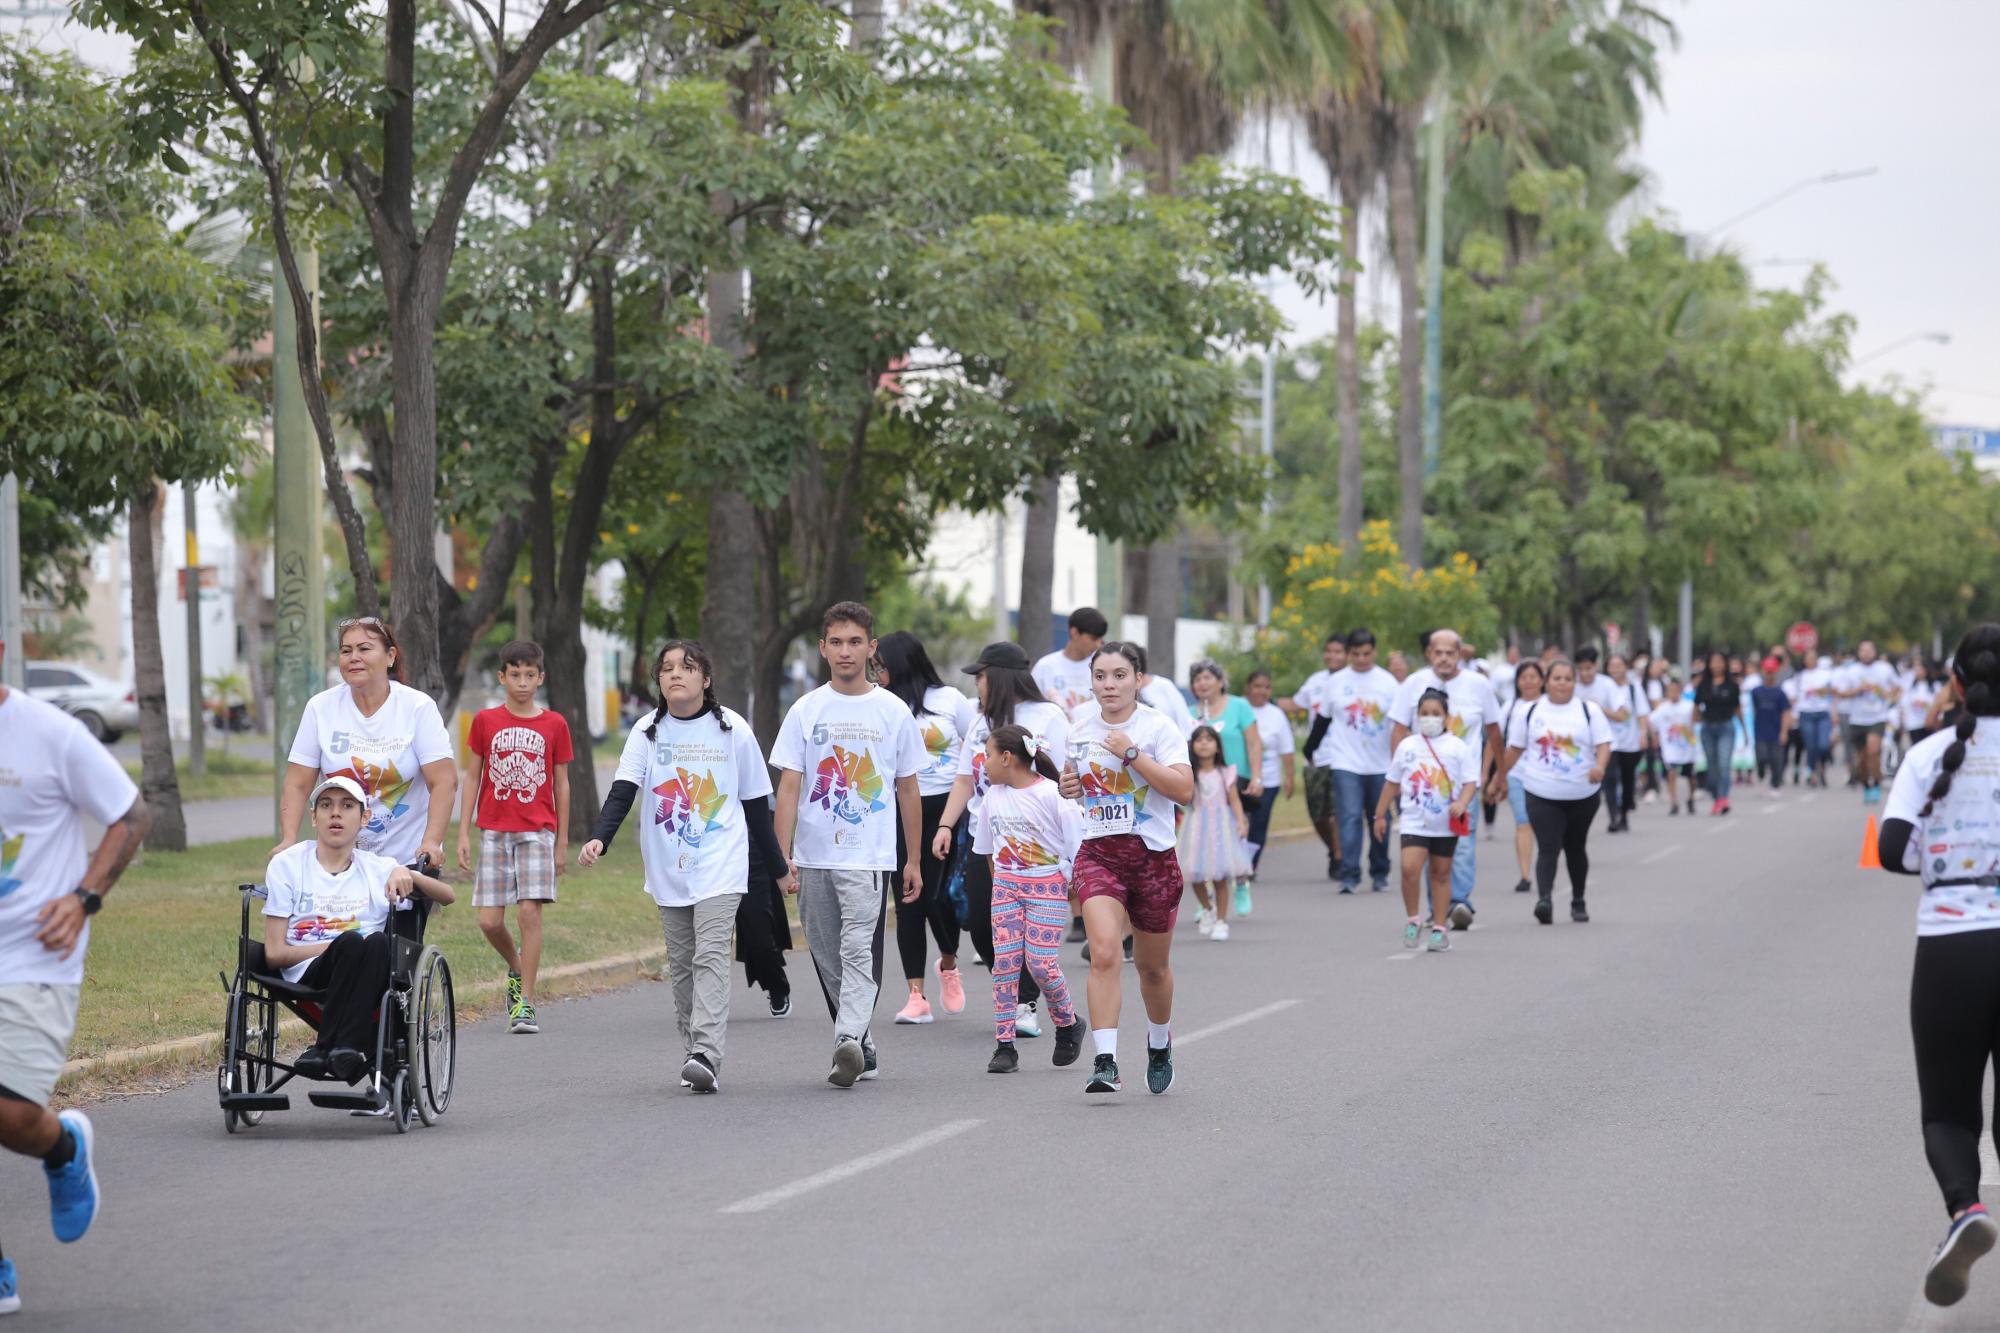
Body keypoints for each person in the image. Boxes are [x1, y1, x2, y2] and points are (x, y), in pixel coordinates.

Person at [0, 640, 149, 1314]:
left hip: (33, 956)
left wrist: (84, 896)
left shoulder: (50, 735)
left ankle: (62, 1145)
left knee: (7, 1112)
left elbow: (130, 814)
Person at [579, 641, 779, 1092]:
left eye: (687, 668)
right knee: (683, 963)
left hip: (721, 863)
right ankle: (694, 1049)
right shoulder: (647, 731)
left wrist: (779, 866)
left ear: (705, 679)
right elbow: (623, 791)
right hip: (669, 867)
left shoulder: (732, 730)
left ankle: (706, 1052)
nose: (676, 675)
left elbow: (754, 807)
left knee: (710, 954)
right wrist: (599, 838)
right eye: (667, 668)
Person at [1875, 624, 2000, 1308]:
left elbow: (1893, 847)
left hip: (1952, 943)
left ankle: (1965, 1211)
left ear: (1955, 683)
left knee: (1950, 1111)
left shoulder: (1930, 754)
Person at [772, 602, 927, 1088]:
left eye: (855, 642)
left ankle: (846, 1037)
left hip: (868, 854)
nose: (845, 651)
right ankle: (861, 1041)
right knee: (824, 951)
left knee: (859, 948)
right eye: (836, 642)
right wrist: (782, 857)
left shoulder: (892, 710)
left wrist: (914, 859)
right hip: (815, 854)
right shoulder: (806, 709)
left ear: (871, 647)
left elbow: (907, 787)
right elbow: (791, 787)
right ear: (822, 649)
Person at [1058, 641, 1195, 1095]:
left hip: (1153, 859)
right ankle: (1106, 1061)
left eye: (1119, 675)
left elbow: (1183, 790)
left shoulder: (1159, 726)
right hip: (1099, 855)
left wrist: (1133, 754)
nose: (1109, 684)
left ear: (1138, 679)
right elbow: (1076, 784)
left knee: (1153, 969)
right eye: (1101, 676)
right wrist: (1069, 785)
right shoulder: (1079, 727)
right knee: (1103, 954)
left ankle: (1159, 1041)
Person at [266, 777, 457, 1084]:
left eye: (347, 806)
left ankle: (335, 1048)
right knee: (353, 942)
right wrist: (337, 947)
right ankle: (340, 1048)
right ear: (313, 817)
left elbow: (447, 896)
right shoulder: (288, 865)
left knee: (380, 942)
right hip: (309, 970)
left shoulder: (378, 867)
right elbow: (274, 954)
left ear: (365, 817)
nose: (336, 814)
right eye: (326, 805)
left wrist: (406, 872)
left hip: (368, 970)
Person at [933, 641, 1069, 1036]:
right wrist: (945, 826)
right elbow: (963, 779)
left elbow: (1060, 778)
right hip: (987, 837)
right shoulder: (980, 722)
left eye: (980, 676)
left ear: (1000, 677)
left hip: (1037, 846)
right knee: (980, 926)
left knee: (1028, 932)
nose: (977, 684)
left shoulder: (1049, 717)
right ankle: (1015, 994)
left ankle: (1025, 1003)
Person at [456, 639, 572, 1036]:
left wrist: (561, 841)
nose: (522, 682)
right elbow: (473, 776)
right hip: (493, 831)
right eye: (514, 674)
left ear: (541, 677)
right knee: (489, 921)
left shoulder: (554, 723)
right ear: (502, 676)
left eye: (529, 675)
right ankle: (518, 967)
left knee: (528, 912)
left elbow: (562, 783)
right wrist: (464, 832)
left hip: (537, 831)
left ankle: (527, 1003)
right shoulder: (486, 721)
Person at [277, 616, 457, 870]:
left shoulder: (417, 706)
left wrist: (431, 843)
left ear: (390, 656)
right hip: (340, 860)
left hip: (406, 860)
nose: (354, 657)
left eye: (364, 649)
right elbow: (297, 783)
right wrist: (288, 841)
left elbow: (444, 782)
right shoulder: (320, 707)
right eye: (346, 651)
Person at [874, 631, 978, 1026]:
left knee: (942, 899)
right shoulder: (880, 705)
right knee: (908, 903)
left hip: (948, 810)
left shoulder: (949, 701)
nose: (877, 673)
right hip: (900, 811)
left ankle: (948, 964)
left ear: (902, 662)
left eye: (881, 665)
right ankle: (915, 995)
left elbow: (974, 752)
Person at [1388, 628, 1503, 930]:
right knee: (1427, 847)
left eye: (1450, 653)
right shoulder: (1413, 684)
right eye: (1437, 653)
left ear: (1460, 654)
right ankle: (1436, 908)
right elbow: (1398, 730)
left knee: (1461, 843)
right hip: (1423, 785)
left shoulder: (1478, 685)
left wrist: (1499, 773)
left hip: (1462, 784)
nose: (1444, 658)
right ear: (1429, 654)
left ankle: (1459, 902)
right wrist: (1399, 777)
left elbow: (1493, 732)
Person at [1501, 659, 1612, 925]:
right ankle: (1545, 900)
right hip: (1541, 790)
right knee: (1548, 846)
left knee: (1575, 847)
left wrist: (1599, 766)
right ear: (1546, 682)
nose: (1562, 683)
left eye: (1567, 679)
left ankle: (1578, 900)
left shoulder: (1589, 711)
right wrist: (1498, 779)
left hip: (1582, 793)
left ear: (1574, 683)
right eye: (1557, 678)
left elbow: (1604, 743)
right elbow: (1515, 749)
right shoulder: (1530, 711)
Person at [1376, 688, 1477, 953]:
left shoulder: (1457, 747)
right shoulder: (1407, 746)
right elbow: (1391, 782)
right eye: (1424, 714)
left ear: (1446, 717)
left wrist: (1462, 803)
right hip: (1414, 820)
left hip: (1445, 822)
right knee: (1410, 869)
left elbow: (1469, 782)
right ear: (1417, 716)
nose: (1429, 718)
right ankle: (1413, 919)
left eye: (1435, 714)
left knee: (1440, 874)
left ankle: (1440, 928)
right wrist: (1380, 814)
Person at [1317, 629, 1399, 895]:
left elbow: (1400, 724)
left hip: (1381, 763)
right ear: (1349, 653)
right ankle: (1349, 874)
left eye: (1367, 654)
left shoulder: (1388, 683)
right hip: (1345, 761)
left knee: (1379, 817)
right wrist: (1310, 750)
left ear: (1374, 652)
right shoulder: (1336, 682)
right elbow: (1323, 719)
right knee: (1349, 817)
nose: (1362, 659)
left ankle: (1379, 872)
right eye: (1356, 654)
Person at [1187, 660, 1263, 918]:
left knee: (1234, 839)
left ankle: (1241, 884)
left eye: (1208, 677)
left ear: (1220, 681)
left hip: (1234, 780)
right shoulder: (1188, 713)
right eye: (1198, 679)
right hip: (1201, 784)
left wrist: (1256, 777)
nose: (1203, 683)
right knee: (1203, 844)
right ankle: (1206, 900)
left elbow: (1253, 743)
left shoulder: (1239, 706)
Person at [1285, 634, 1350, 881]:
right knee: (1317, 814)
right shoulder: (1315, 681)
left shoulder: (1350, 681)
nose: (1333, 656)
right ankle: (1334, 851)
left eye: (1338, 652)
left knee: (1336, 812)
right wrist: (1260, 702)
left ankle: (1341, 858)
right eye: (1329, 651)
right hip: (1315, 758)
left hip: (1341, 757)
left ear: (1346, 655)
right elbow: (1295, 703)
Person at [1181, 725, 1251, 940]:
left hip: (1220, 827)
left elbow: (1234, 799)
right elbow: (1183, 798)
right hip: (1196, 827)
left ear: (1218, 747)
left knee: (1220, 876)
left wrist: (1240, 820)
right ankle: (1207, 908)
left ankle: (1221, 921)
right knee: (1195, 873)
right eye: (1199, 739)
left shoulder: (1225, 773)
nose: (1204, 743)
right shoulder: (1189, 773)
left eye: (1209, 739)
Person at [1243, 670, 1296, 882]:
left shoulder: (1276, 714)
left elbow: (1287, 749)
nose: (1261, 691)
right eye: (1257, 686)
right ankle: (1234, 862)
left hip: (1269, 780)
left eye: (1266, 687)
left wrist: (1289, 777)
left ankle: (1250, 865)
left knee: (1259, 823)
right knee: (1239, 822)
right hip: (1240, 778)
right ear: (1248, 688)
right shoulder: (1240, 708)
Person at [1499, 661, 1546, 893]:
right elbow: (1497, 742)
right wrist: (1497, 776)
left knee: (1545, 827)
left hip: (1546, 775)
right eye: (1524, 677)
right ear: (1517, 682)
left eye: (1533, 676)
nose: (1528, 681)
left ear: (1542, 681)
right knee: (1523, 822)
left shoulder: (1549, 707)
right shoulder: (1509, 707)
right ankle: (1526, 875)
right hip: (1517, 774)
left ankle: (1547, 868)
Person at [1838, 643, 1901, 801]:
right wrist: (1858, 690)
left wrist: (1886, 695)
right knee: (1863, 758)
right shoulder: (1851, 671)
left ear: (1875, 652)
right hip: (1857, 719)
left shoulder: (1884, 668)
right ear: (1859, 653)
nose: (1866, 654)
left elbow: (1898, 687)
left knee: (1874, 751)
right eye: (1863, 651)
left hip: (1877, 717)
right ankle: (1866, 783)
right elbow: (1841, 693)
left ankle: (1877, 784)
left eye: (1869, 651)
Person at [1597, 654, 1650, 832]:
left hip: (1630, 741)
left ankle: (1625, 811)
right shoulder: (1602, 687)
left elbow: (1642, 713)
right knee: (1610, 779)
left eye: (1619, 665)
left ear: (1626, 667)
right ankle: (1614, 816)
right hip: (1609, 742)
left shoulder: (1634, 688)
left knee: (1627, 780)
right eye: (1612, 666)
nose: (1615, 669)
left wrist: (1643, 734)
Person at [1032, 606, 1108, 719]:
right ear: (1075, 632)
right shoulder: (1045, 667)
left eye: (1100, 640)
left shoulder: (1103, 667)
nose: (1097, 645)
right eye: (1093, 638)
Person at [1693, 651, 1742, 815]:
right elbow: (1696, 707)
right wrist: (1693, 727)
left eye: (1720, 662)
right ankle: (1717, 797)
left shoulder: (1732, 685)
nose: (1717, 665)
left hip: (1726, 727)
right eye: (1713, 662)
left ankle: (1723, 798)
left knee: (1724, 764)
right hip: (1708, 728)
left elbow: (1737, 708)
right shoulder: (1703, 684)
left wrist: (1745, 730)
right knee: (1712, 767)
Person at [1652, 674, 1699, 815]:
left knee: (1690, 776)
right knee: (1671, 772)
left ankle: (1691, 798)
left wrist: (1690, 735)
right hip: (1670, 747)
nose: (1673, 693)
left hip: (1687, 747)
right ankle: (1674, 802)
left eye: (1675, 690)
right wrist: (1654, 736)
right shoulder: (1663, 708)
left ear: (1680, 690)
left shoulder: (1689, 706)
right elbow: (1651, 722)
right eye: (1670, 690)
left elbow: (1695, 724)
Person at [1795, 654, 1837, 787]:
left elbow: (1833, 693)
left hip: (1823, 713)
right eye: (1808, 658)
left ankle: (1822, 767)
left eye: (1813, 658)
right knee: (1811, 746)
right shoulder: (1800, 676)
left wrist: (1834, 712)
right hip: (1806, 713)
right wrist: (1794, 714)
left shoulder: (1826, 674)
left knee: (1823, 745)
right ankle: (1812, 772)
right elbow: (1796, 696)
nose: (1810, 661)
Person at [1748, 670, 1794, 794]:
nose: (1769, 675)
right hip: (1760, 731)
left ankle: (1775, 785)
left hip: (1776, 731)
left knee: (1776, 760)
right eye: (1767, 672)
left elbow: (1786, 712)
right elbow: (1750, 709)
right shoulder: (1756, 692)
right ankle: (1761, 773)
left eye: (1771, 673)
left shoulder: (1780, 693)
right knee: (1761, 757)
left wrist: (1784, 731)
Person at [1903, 659, 1940, 751]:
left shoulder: (1935, 686)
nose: (1917, 670)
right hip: (1914, 723)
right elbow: (1904, 703)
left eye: (1920, 667)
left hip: (1929, 723)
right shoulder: (1909, 686)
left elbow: (1939, 704)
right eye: (1915, 668)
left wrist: (1925, 705)